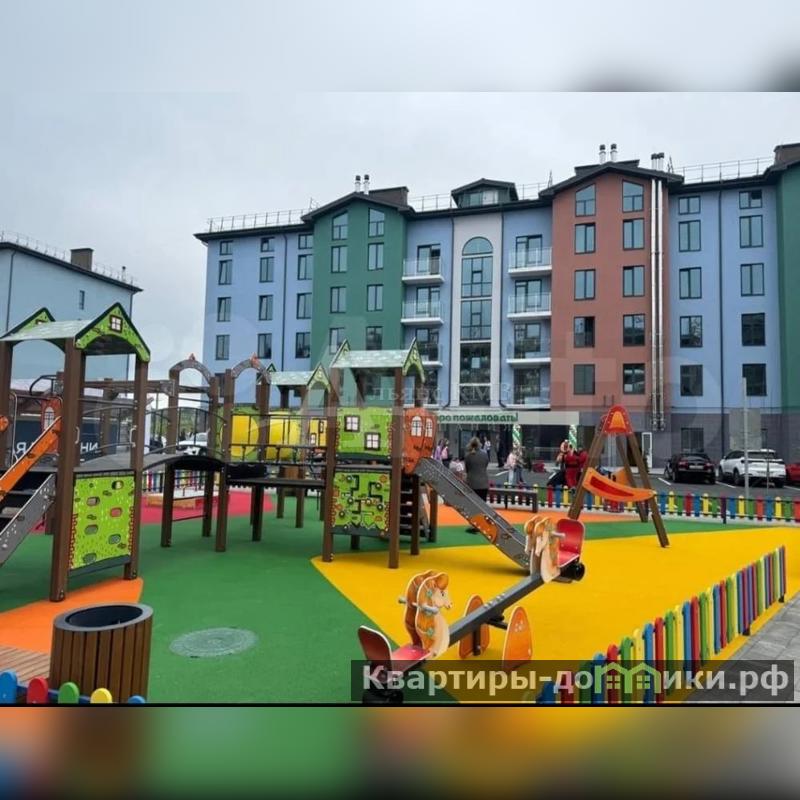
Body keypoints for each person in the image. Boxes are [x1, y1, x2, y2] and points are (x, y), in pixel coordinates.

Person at [464, 437, 490, 532]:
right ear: (480, 444)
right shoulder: (484, 454)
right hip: (484, 483)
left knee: (473, 505)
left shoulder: (468, 456)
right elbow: (486, 465)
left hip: (472, 483)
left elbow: (467, 469)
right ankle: (482, 523)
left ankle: (474, 524)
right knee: (482, 505)